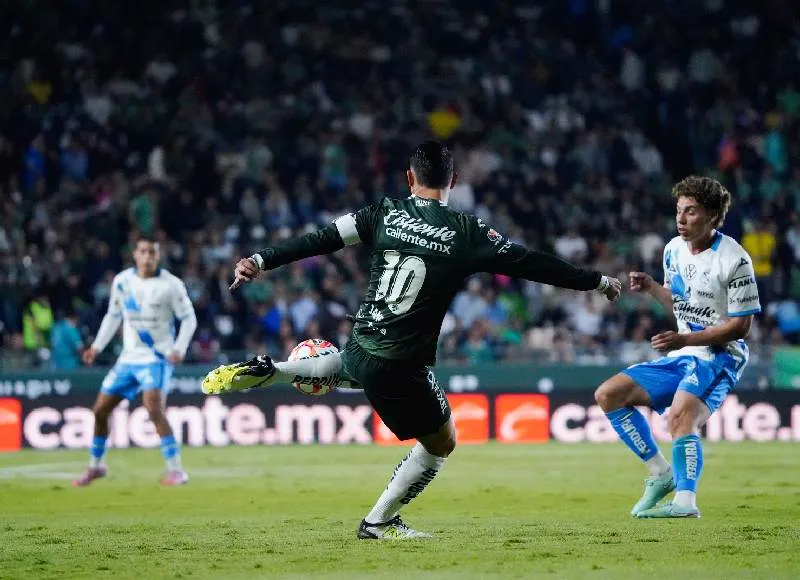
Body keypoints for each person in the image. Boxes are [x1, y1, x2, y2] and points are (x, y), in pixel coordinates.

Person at [203, 141, 622, 538]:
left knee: (355, 368)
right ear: (453, 181)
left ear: (409, 177)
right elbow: (534, 264)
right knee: (442, 442)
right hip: (403, 364)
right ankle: (379, 522)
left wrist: (259, 259)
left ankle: (277, 370)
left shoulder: (382, 212)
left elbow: (320, 239)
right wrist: (596, 281)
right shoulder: (467, 231)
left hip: (362, 342)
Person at [594, 176, 760, 518]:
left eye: (691, 212)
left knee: (681, 417)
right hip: (686, 352)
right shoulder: (673, 249)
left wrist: (685, 339)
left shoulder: (735, 260)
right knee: (609, 394)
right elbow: (681, 304)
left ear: (712, 216)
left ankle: (685, 503)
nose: (681, 219)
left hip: (721, 356)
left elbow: (740, 327)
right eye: (679, 211)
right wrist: (653, 288)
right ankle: (660, 473)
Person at [74, 236, 198, 487]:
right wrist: (96, 347)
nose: (148, 257)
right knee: (100, 411)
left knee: (153, 409)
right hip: (127, 360)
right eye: (144, 252)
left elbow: (189, 318)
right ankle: (96, 466)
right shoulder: (122, 281)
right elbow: (113, 316)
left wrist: (179, 348)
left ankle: (176, 470)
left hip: (157, 357)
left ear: (158, 256)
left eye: (153, 252)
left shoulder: (171, 285)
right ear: (135, 255)